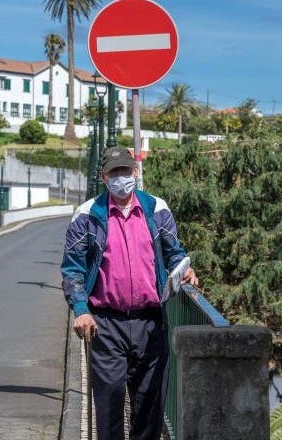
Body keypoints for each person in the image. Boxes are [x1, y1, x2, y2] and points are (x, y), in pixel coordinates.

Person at [61, 147, 198, 440]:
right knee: (109, 407)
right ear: (103, 177)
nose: (121, 177)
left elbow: (174, 252)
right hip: (106, 324)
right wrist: (81, 310)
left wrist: (184, 269)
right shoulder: (86, 215)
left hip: (151, 322)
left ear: (135, 173)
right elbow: (72, 269)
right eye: (114, 172)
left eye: (125, 171)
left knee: (150, 409)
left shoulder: (156, 208)